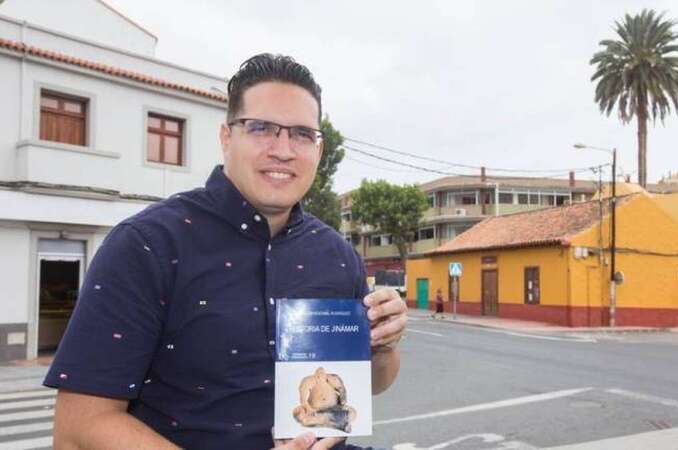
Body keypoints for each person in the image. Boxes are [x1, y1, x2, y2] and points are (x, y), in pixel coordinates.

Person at [44, 53, 407, 450]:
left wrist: (383, 346)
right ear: (226, 137)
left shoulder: (338, 254)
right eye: (262, 128)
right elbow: (80, 428)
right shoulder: (146, 245)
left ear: (318, 150)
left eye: (302, 134)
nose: (283, 150)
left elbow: (372, 383)